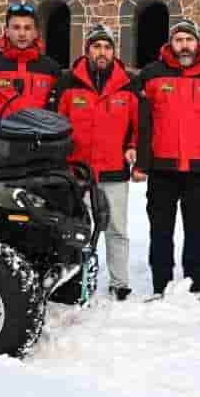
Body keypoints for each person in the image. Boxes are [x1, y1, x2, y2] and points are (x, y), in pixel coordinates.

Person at [133, 18, 200, 296]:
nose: (184, 45)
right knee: (161, 232)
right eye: (179, 40)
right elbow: (142, 122)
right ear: (170, 43)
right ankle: (160, 286)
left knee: (197, 232)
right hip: (162, 168)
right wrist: (142, 162)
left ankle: (194, 285)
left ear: (197, 43)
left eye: (189, 39)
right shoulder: (151, 75)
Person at [54, 23, 139, 301]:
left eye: (107, 47)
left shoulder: (127, 84)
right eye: (96, 46)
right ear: (87, 50)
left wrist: (132, 147)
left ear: (114, 51)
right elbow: (57, 124)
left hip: (114, 170)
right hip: (79, 172)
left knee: (116, 230)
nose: (102, 52)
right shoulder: (69, 83)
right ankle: (76, 280)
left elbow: (138, 126)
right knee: (78, 229)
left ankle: (120, 283)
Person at [0, 1, 62, 117]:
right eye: (16, 27)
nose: (22, 33)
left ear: (36, 33)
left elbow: (59, 111)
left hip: (37, 133)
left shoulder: (51, 69)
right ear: (7, 31)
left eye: (27, 28)